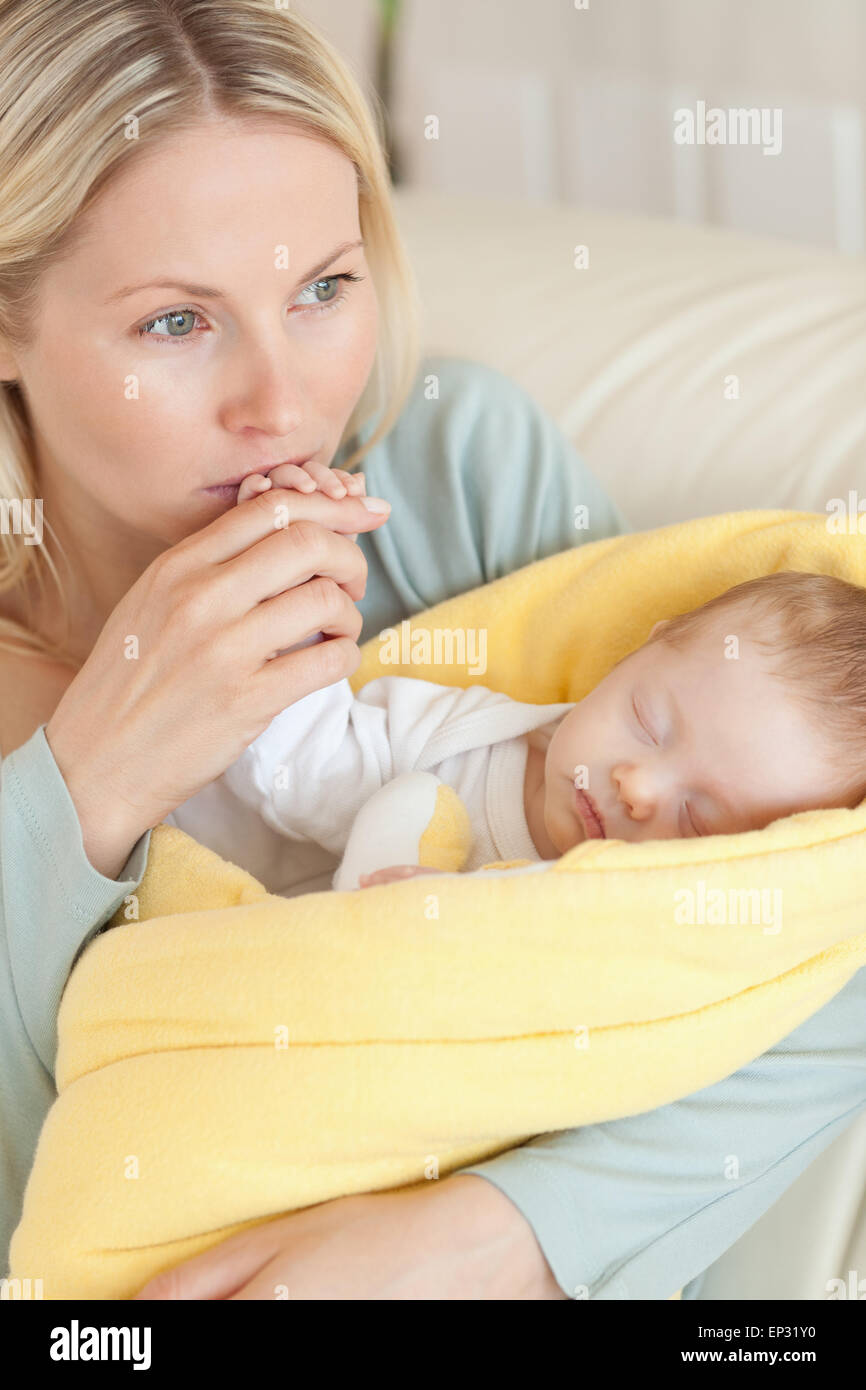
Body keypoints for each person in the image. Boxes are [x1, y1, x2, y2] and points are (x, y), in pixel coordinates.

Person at [0, 0, 862, 1301]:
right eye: (176, 322)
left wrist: (500, 1231)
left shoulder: (456, 472)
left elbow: (815, 921)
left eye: (322, 290)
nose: (284, 405)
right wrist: (93, 782)